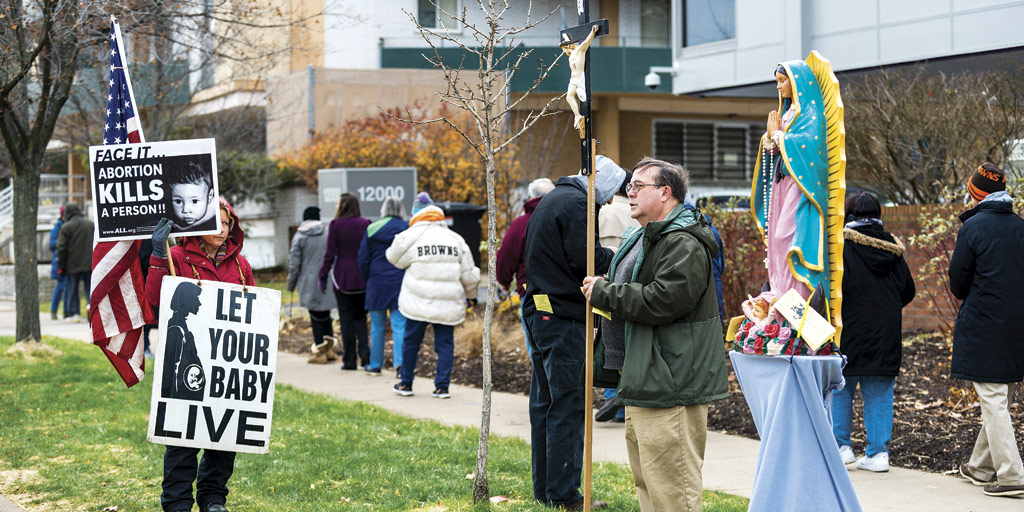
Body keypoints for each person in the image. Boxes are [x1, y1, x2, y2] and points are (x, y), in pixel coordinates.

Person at [583, 158, 728, 512]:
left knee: (673, 490)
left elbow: (665, 300)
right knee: (649, 484)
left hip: (672, 380)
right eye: (629, 186)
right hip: (643, 376)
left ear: (665, 193)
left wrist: (606, 294)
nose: (629, 192)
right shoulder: (641, 234)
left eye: (638, 186)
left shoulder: (682, 241)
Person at [522, 156, 626, 509]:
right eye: (610, 196)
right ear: (601, 188)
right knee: (568, 405)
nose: (610, 203)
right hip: (563, 316)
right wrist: (619, 256)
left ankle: (546, 490)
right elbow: (589, 261)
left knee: (546, 403)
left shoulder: (553, 198)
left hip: (540, 310)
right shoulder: (580, 204)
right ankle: (565, 494)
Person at [146, 197, 256, 512]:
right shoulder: (176, 257)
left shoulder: (240, 265)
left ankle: (212, 499)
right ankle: (177, 502)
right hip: (184, 359)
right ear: (199, 224)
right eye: (216, 223)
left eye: (227, 224)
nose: (222, 230)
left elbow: (253, 314)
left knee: (224, 436)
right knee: (182, 438)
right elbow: (155, 301)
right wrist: (157, 255)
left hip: (225, 364)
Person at [736, 58, 843, 354]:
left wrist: (780, 136)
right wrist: (769, 140)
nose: (780, 87)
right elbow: (774, 150)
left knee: (786, 237)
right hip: (781, 185)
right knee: (774, 241)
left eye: (784, 81)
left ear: (798, 83)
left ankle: (798, 306)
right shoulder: (787, 113)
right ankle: (780, 302)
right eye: (778, 82)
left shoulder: (809, 113)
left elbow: (810, 148)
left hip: (800, 187)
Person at [949, 163, 1024, 498]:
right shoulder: (1021, 227)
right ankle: (980, 466)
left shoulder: (974, 228)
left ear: (976, 193)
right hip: (1017, 324)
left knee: (993, 399)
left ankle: (1011, 475)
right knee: (1000, 395)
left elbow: (958, 282)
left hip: (984, 322)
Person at [832, 192, 915, 473]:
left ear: (849, 214)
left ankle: (841, 447)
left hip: (847, 332)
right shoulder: (892, 248)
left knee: (840, 390)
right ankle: (879, 454)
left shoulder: (840, 246)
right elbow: (908, 290)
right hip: (884, 334)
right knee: (880, 393)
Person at [386, 204, 479, 398]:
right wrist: (471, 297)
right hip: (447, 303)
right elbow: (469, 274)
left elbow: (393, 257)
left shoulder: (413, 236)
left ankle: (406, 383)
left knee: (411, 342)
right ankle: (442, 387)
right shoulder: (456, 239)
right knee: (445, 344)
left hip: (417, 301)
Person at [594, 168, 638, 423]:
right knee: (626, 339)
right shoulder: (635, 213)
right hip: (632, 280)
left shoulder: (603, 211)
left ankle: (613, 395)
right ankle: (622, 402)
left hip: (605, 280)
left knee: (608, 339)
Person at [496, 177, 555, 358]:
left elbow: (506, 258)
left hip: (533, 294)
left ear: (530, 197)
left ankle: (542, 383)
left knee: (537, 346)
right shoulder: (563, 219)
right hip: (564, 294)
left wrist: (505, 282)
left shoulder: (522, 224)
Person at [318, 193, 371, 370]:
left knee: (346, 320)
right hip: (363, 277)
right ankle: (365, 355)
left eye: (338, 203)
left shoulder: (336, 224)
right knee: (361, 319)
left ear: (343, 206)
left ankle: (349, 360)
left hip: (342, 278)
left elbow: (330, 253)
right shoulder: (366, 223)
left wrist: (322, 275)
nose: (335, 206)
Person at [358, 197, 408, 376]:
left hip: (376, 282)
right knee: (400, 325)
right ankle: (400, 365)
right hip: (399, 281)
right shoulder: (407, 228)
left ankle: (375, 364)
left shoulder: (372, 228)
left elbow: (363, 258)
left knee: (377, 326)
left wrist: (368, 278)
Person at [288, 206, 338, 364]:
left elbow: (294, 264)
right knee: (326, 315)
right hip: (327, 280)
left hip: (309, 282)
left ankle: (320, 352)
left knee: (316, 316)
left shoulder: (300, 236)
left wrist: (291, 284)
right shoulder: (328, 233)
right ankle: (330, 350)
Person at [160, 281, 206, 401]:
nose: (199, 303)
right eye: (196, 299)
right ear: (186, 299)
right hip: (180, 397)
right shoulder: (176, 328)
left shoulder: (182, 325)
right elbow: (172, 367)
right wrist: (174, 400)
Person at [56, 202, 94, 321]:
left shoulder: (66, 227)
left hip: (72, 264)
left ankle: (74, 313)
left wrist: (60, 266)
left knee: (73, 289)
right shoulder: (90, 224)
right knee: (89, 287)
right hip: (89, 262)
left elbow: (61, 248)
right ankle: (91, 308)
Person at [560, 24, 599, 136]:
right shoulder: (570, 56)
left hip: (580, 78)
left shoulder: (579, 51)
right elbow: (567, 41)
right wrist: (565, 37)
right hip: (573, 79)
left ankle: (579, 116)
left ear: (569, 46)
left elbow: (586, 42)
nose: (563, 50)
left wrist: (593, 31)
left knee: (580, 98)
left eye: (564, 47)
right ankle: (577, 115)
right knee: (569, 97)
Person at [168, 160, 217, 231]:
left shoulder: (217, 207)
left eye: (194, 201)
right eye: (178, 201)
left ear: (209, 197)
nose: (186, 210)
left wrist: (185, 228)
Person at [48, 206, 65, 320]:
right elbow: (52, 244)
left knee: (67, 287)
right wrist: (63, 241)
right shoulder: (57, 228)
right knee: (60, 287)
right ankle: (54, 310)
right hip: (59, 261)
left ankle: (66, 311)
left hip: (67, 261)